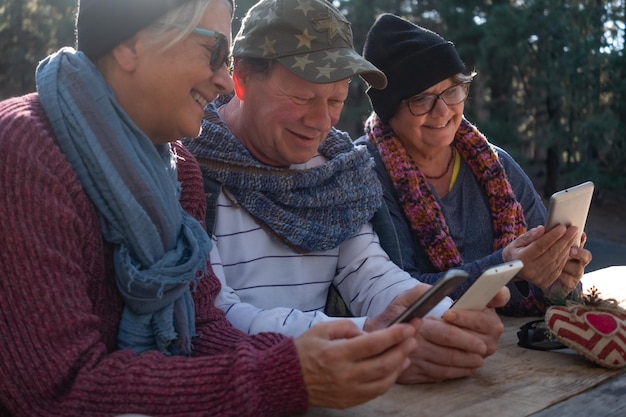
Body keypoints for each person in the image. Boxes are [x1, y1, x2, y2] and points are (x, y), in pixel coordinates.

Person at [0, 1, 427, 415]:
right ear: (130, 43)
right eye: (215, 53)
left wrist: (347, 348)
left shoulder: (177, 166)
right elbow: (56, 392)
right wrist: (289, 375)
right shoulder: (23, 152)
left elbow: (204, 330)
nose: (224, 80)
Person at [184, 0, 509, 384]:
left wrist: (441, 319)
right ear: (242, 79)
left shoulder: (338, 172)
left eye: (335, 100)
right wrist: (366, 337)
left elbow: (368, 272)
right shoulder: (189, 171)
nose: (321, 122)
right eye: (303, 98)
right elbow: (212, 315)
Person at [357, 13, 593, 315]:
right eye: (421, 99)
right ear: (389, 109)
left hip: (509, 351)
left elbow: (530, 290)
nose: (442, 111)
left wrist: (556, 284)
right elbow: (397, 294)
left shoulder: (497, 165)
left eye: (451, 91)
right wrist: (507, 267)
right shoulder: (367, 174)